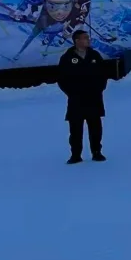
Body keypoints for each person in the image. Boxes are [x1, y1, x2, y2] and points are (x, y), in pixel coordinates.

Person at [57, 27, 108, 163]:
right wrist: (72, 92)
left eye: (88, 38)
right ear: (77, 41)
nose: (88, 40)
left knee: (95, 127)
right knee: (75, 129)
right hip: (76, 99)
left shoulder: (94, 56)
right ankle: (75, 155)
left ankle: (96, 152)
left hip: (94, 98)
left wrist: (99, 88)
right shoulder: (67, 58)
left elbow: (103, 74)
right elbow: (62, 79)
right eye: (85, 38)